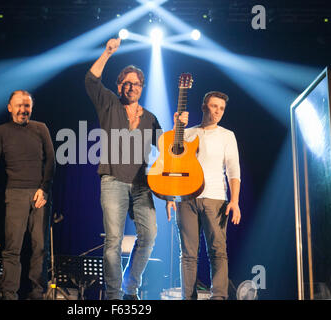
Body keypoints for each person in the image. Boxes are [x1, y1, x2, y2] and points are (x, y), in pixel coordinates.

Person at [85, 38, 162, 300]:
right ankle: (114, 296)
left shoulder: (150, 118)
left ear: (142, 87)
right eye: (127, 82)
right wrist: (107, 52)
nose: (132, 87)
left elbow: (169, 150)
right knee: (112, 243)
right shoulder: (109, 102)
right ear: (120, 86)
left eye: (137, 83)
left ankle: (131, 287)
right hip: (112, 180)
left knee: (150, 235)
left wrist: (178, 125)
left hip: (142, 184)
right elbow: (91, 80)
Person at [167, 91, 241, 300]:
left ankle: (218, 297)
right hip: (186, 199)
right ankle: (187, 297)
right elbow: (173, 163)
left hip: (215, 198)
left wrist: (234, 201)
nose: (218, 111)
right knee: (188, 255)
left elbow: (233, 170)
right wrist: (170, 196)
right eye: (214, 106)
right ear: (203, 106)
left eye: (221, 108)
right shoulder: (187, 133)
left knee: (217, 252)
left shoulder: (227, 135)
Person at [0, 90, 55, 300]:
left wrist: (45, 189)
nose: (23, 110)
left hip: (40, 194)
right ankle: (9, 294)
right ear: (10, 107)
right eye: (19, 106)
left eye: (27, 106)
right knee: (13, 247)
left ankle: (37, 293)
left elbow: (51, 161)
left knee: (40, 247)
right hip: (15, 194)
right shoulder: (1, 131)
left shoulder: (41, 128)